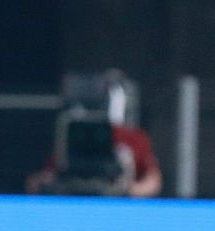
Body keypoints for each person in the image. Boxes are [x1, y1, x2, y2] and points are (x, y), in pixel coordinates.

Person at [25, 70, 162, 197]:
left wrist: (128, 191)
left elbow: (152, 180)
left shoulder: (133, 137)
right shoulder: (70, 133)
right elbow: (48, 175)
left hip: (116, 200)